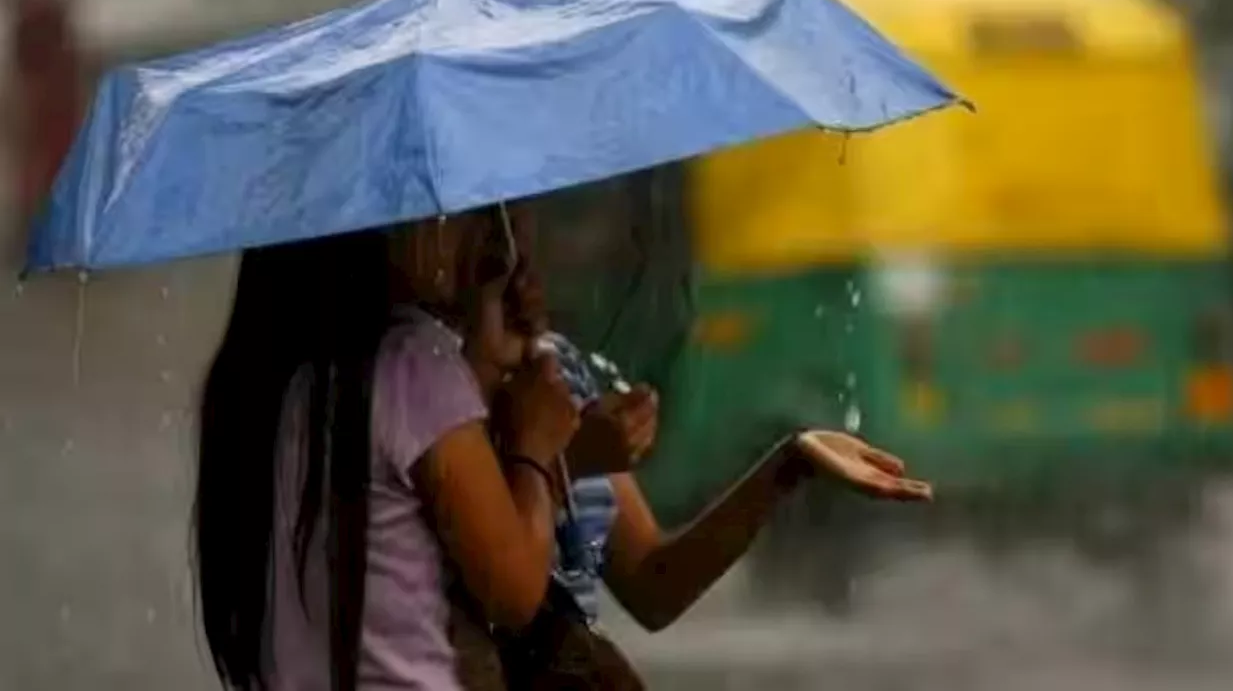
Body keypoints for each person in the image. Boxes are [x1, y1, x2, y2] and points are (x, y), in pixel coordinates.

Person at [499, 204, 933, 637]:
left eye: (525, 226)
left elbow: (654, 587)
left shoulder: (557, 372)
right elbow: (504, 601)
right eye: (502, 232)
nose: (527, 261)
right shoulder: (446, 393)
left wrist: (790, 462)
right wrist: (566, 461)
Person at [194, 209, 580, 691]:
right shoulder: (412, 364)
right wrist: (533, 449)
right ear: (380, 228)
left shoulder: (255, 383)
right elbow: (515, 591)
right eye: (434, 217)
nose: (449, 228)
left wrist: (481, 352)